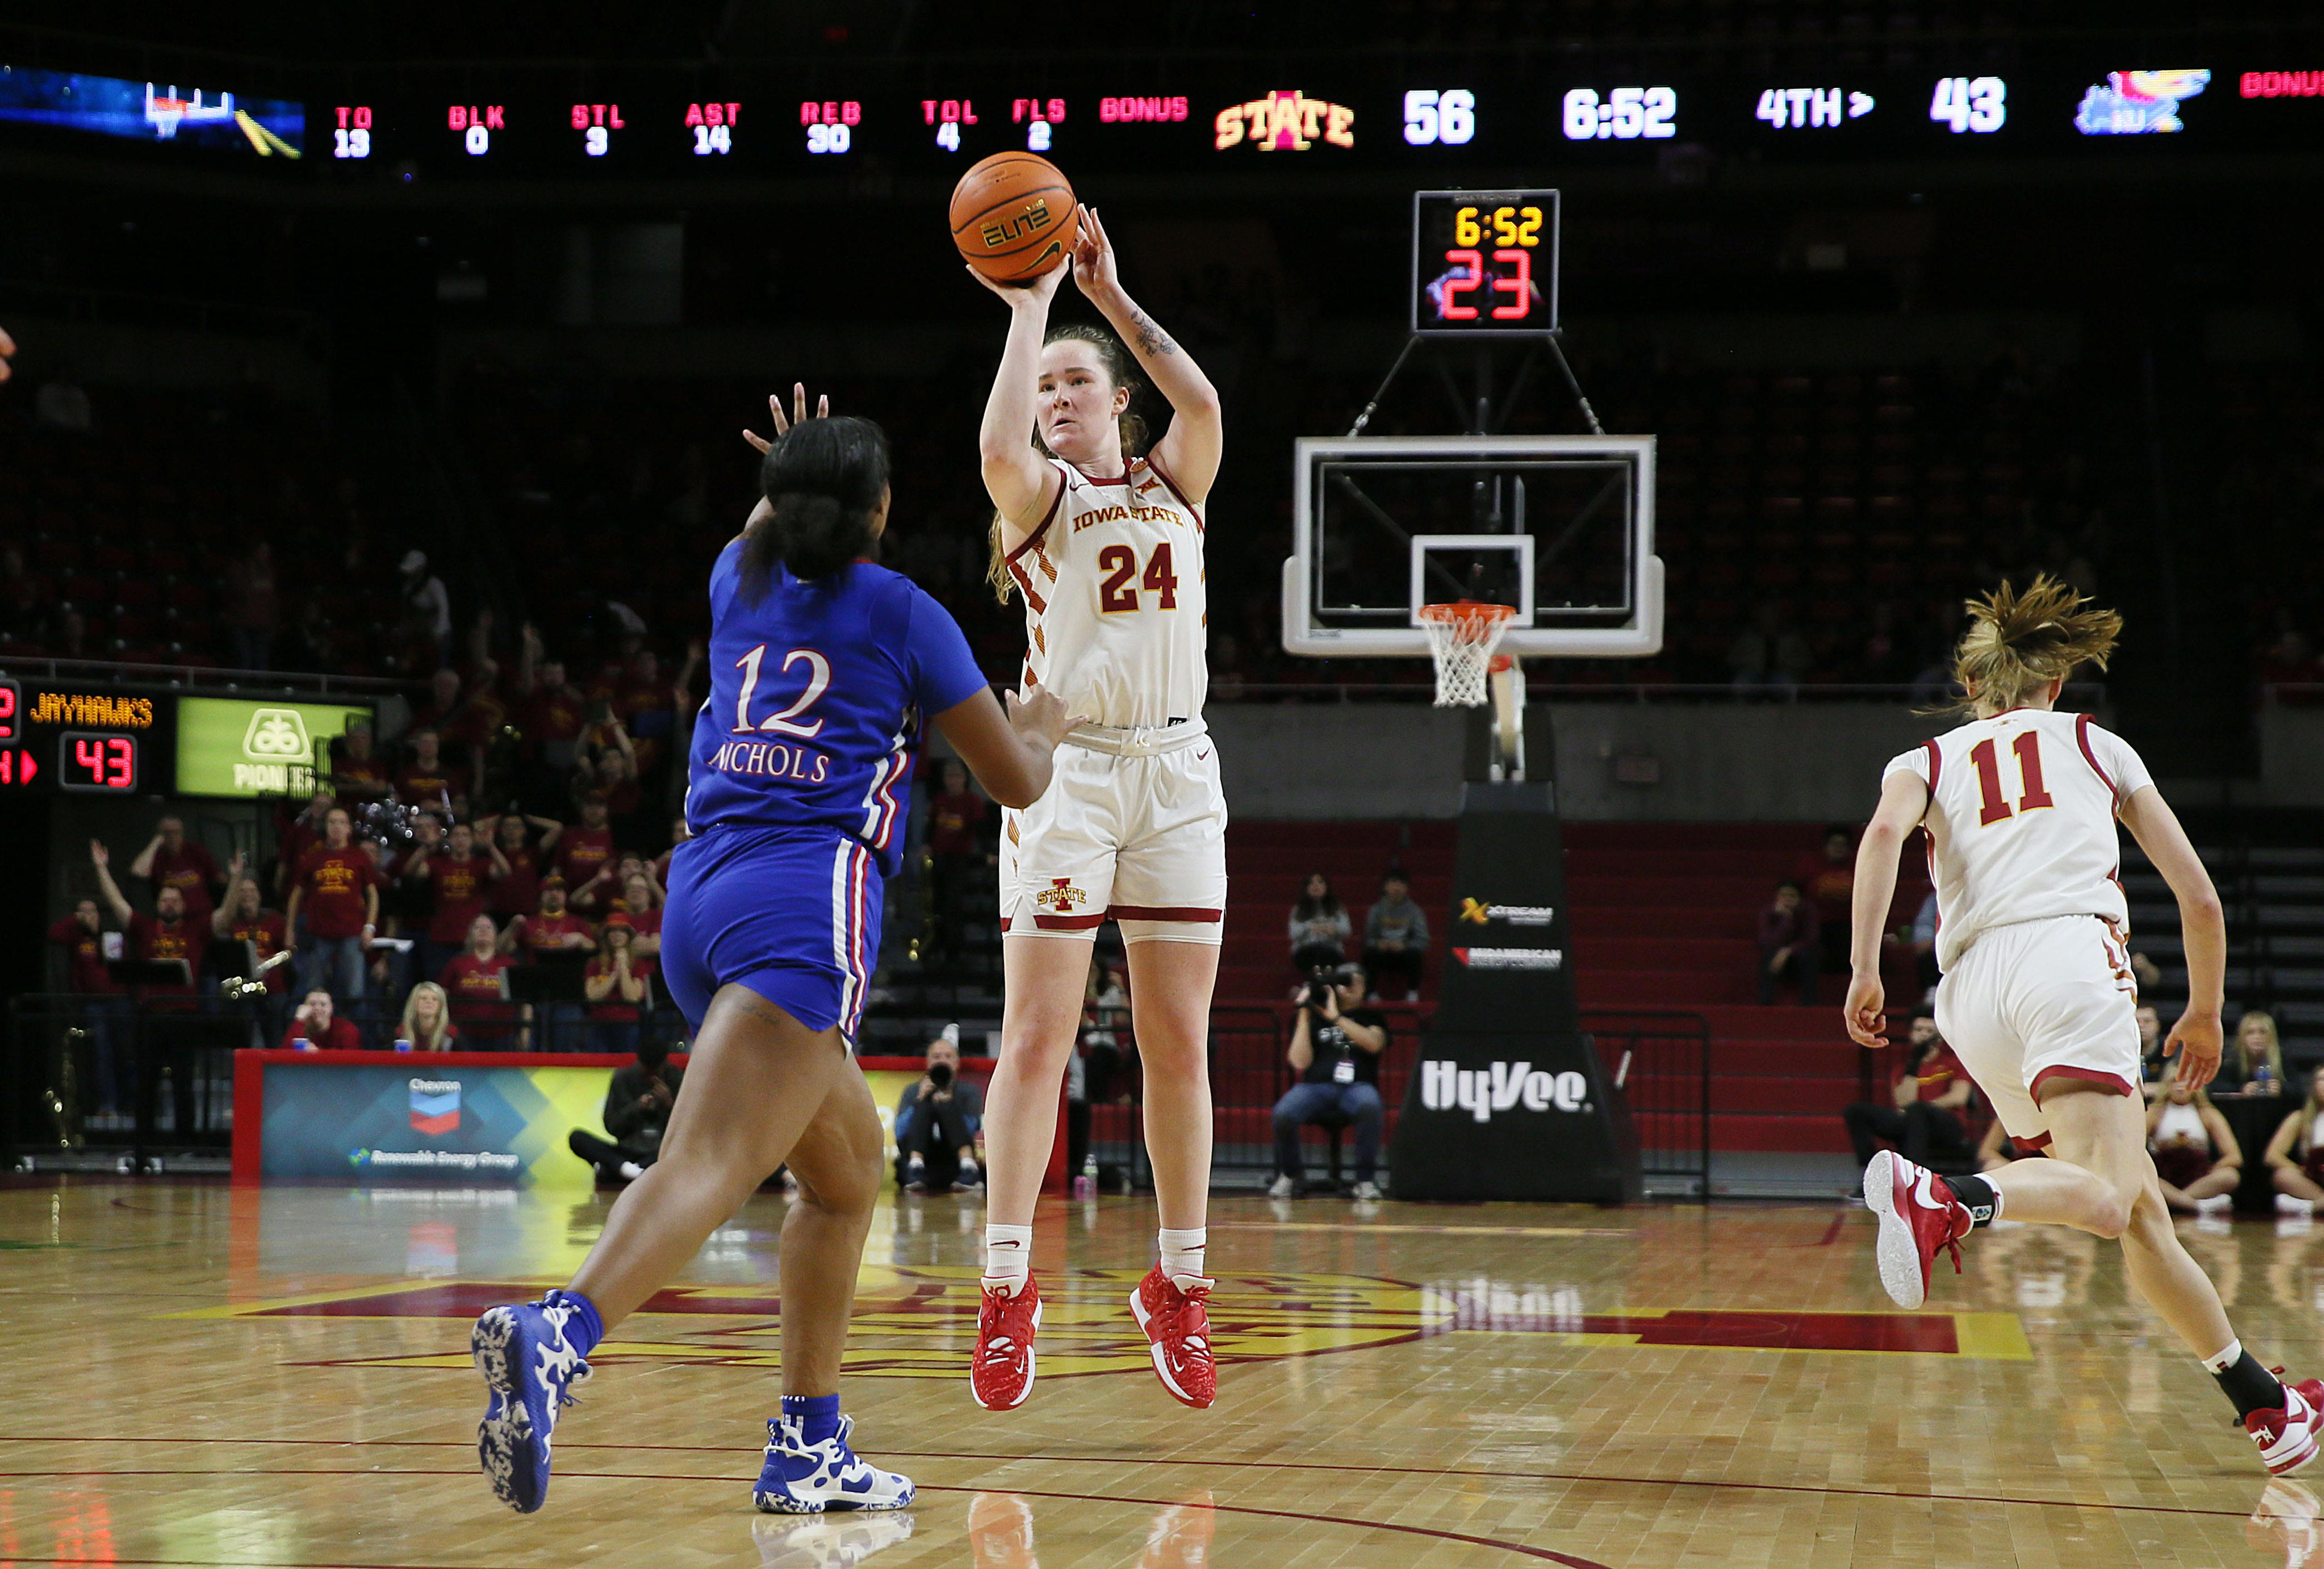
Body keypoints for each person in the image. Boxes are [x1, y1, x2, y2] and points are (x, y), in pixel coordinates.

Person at [467, 389, 1075, 1516]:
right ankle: (557, 1333)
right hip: (804, 898)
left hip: (698, 896)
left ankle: (808, 1444)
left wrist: (786, 472)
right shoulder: (903, 612)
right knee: (706, 1163)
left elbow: (764, 525)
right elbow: (1017, 781)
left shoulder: (733, 578)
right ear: (882, 512)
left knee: (846, 1180)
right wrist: (1040, 713)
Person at [1847, 575, 2322, 1474]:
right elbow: (2200, 899)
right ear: (2054, 687)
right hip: (2066, 959)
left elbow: (1878, 841)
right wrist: (2207, 1009)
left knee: (2135, 1205)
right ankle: (1944, 1198)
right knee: (2101, 1195)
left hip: (1969, 992)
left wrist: (1866, 965)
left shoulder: (1926, 759)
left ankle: (2266, 1403)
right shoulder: (2096, 745)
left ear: (1976, 689)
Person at [969, 206, 1229, 1414]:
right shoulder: (1035, 500)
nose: (1060, 397)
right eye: (1048, 387)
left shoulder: (1175, 478)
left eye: (1081, 382)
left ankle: (1177, 1285)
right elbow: (993, 450)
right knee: (1038, 1040)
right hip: (1069, 779)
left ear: (1116, 399)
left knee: (1177, 1044)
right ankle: (1006, 1285)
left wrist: (1108, 297)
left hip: (1176, 774)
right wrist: (1027, 310)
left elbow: (1207, 404)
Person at [1268, 962, 1387, 1201]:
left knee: (1370, 1106)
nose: (1348, 987)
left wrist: (1337, 1018)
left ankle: (1365, 1180)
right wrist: (1304, 1015)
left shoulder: (1371, 1016)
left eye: (1354, 981)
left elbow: (1375, 1043)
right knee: (1284, 1113)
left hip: (1357, 1086)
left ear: (1365, 987)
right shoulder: (1315, 1019)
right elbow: (1299, 1062)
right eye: (1344, 982)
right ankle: (1291, 1175)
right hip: (1316, 1086)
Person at [1841, 1016, 1977, 1175]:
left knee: (1917, 1111)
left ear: (1940, 1037)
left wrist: (1923, 1108)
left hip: (1947, 1125)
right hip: (1913, 1121)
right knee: (1856, 1111)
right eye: (1919, 1030)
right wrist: (1915, 1063)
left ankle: (1914, 1176)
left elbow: (1958, 1097)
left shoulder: (1955, 1063)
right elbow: (1904, 1102)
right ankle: (1871, 1173)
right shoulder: (1902, 1070)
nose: (1923, 1035)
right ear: (1911, 1034)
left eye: (1930, 1031)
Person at [284, 806, 382, 1003]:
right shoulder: (314, 857)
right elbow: (296, 894)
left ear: (349, 828)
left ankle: (354, 1032)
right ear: (326, 827)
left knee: (354, 992)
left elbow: (372, 895)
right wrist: (290, 929)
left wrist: (370, 927)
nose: (337, 827)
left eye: (341, 822)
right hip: (318, 933)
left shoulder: (359, 857)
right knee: (314, 990)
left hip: (352, 933)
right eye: (332, 822)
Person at [48, 896, 130, 1116]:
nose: (89, 916)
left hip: (118, 1001)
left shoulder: (110, 936)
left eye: (93, 912)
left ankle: (130, 1103)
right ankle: (107, 1104)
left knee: (125, 1050)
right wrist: (76, 919)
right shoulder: (76, 938)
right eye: (84, 913)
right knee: (101, 1053)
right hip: (93, 1003)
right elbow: (54, 934)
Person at [568, 1036, 685, 1184]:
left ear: (664, 1063)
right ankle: (629, 1170)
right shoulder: (622, 1078)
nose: (651, 1077)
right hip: (626, 1151)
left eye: (655, 1072)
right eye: (646, 1072)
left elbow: (687, 1130)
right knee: (577, 1137)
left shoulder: (677, 1078)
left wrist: (669, 1104)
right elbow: (612, 1127)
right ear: (639, 1062)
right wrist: (636, 1109)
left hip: (659, 1152)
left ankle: (618, 1170)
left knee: (680, 1154)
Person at [411, 820, 507, 986]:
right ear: (449, 840)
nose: (461, 840)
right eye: (456, 835)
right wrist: (426, 847)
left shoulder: (481, 864)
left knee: (471, 986)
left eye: (465, 835)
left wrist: (491, 847)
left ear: (472, 840)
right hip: (441, 937)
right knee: (438, 987)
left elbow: (505, 873)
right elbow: (411, 872)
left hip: (472, 940)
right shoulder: (438, 862)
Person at [895, 1027, 984, 1193]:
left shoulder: (969, 1091)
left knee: (945, 1104)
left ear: (957, 1063)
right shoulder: (913, 1090)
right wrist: (920, 1101)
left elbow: (973, 1129)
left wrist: (948, 1103)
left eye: (948, 1056)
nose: (942, 1061)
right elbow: (900, 1132)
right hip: (921, 1158)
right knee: (925, 1103)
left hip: (952, 1159)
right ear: (928, 1063)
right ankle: (916, 1166)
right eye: (937, 1057)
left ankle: (968, 1168)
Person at [2148, 1059, 2241, 1218]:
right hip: (2165, 1177)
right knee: (2144, 1178)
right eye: (2175, 1081)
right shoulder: (2154, 1112)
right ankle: (2196, 1206)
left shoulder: (2208, 1113)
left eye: (2186, 1080)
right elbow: (2133, 1149)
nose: (2180, 1086)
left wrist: (2215, 1169)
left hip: (2197, 1179)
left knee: (2230, 1176)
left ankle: (2176, 1202)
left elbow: (2234, 1156)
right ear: (2166, 1085)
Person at [130, 816, 223, 927]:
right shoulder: (157, 857)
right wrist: (156, 842)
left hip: (204, 918)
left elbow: (220, 878)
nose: (173, 837)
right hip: (173, 922)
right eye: (167, 833)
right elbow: (137, 872)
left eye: (176, 833)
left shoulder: (195, 851)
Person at [441, 913, 519, 1046]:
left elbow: (524, 1001)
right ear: (470, 934)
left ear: (496, 934)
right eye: (478, 927)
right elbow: (441, 994)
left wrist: (525, 1032)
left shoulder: (509, 964)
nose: (483, 930)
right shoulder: (457, 963)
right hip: (463, 1035)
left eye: (488, 928)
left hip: (503, 1035)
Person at [582, 915, 653, 1055]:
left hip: (628, 1024)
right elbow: (592, 996)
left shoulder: (639, 965)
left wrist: (624, 968)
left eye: (622, 931)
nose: (617, 935)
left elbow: (632, 997)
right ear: (606, 936)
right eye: (613, 931)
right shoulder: (594, 964)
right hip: (599, 1023)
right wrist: (615, 975)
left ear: (628, 936)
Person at [2265, 1069, 2324, 1221]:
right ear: (2313, 1086)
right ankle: (2319, 1202)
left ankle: (2309, 1207)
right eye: (2322, 1079)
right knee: (2282, 1176)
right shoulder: (2300, 1118)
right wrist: (2299, 1170)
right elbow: (2272, 1155)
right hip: (2313, 1178)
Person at [1797, 825, 1857, 975]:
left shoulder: (1857, 865)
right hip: (1817, 923)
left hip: (1849, 925)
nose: (1838, 849)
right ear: (1826, 846)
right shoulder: (1809, 866)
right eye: (1834, 844)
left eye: (1842, 845)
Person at [1362, 871, 1430, 1002]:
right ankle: (1371, 993)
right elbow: (1368, 938)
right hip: (1382, 952)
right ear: (1386, 887)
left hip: (1404, 953)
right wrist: (1378, 944)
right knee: (1369, 954)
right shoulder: (1376, 910)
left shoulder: (1415, 911)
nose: (1397, 888)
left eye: (1401, 884)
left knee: (1416, 955)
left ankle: (1412, 992)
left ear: (1407, 888)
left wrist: (1405, 945)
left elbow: (1423, 940)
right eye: (1393, 883)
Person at [1756, 879, 1820, 1005]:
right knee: (1768, 957)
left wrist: (1788, 951)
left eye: (1792, 896)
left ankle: (1808, 1004)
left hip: (1801, 953)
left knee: (1811, 957)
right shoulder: (1769, 913)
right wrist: (1785, 919)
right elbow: (1767, 940)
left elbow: (1811, 939)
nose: (1787, 899)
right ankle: (1765, 1003)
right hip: (1776, 954)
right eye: (1783, 896)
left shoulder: (1809, 911)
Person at [1288, 872, 1350, 976]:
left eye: (1320, 882)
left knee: (1325, 955)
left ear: (1326, 886)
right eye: (1311, 883)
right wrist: (1309, 928)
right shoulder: (1299, 909)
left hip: (1331, 949)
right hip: (1305, 950)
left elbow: (1347, 930)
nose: (1316, 886)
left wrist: (1334, 930)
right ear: (1306, 888)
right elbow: (1294, 934)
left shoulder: (1337, 907)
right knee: (1316, 954)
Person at [2217, 1010, 2289, 1098]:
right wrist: (2241, 1090)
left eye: (2263, 1032)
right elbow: (2216, 1088)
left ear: (2272, 1037)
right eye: (2250, 1032)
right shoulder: (2231, 1062)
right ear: (2242, 1038)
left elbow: (2298, 1089)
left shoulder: (2282, 1059)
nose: (2257, 1037)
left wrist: (2281, 1089)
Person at [281, 989, 362, 1050]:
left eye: (323, 1005)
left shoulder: (347, 1029)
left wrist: (319, 1054)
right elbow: (284, 1054)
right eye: (312, 1004)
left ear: (332, 1008)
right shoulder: (299, 1027)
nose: (317, 1008)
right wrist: (299, 1020)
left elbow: (352, 1061)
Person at [396, 981, 459, 1052]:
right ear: (413, 1004)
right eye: (423, 998)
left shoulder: (451, 1033)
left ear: (441, 1006)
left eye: (435, 999)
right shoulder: (401, 1032)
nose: (429, 1002)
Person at [2136, 1004, 2170, 1097]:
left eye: (2147, 1021)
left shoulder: (2171, 1051)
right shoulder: (2120, 1052)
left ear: (2158, 1025)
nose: (2141, 1026)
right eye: (2136, 1022)